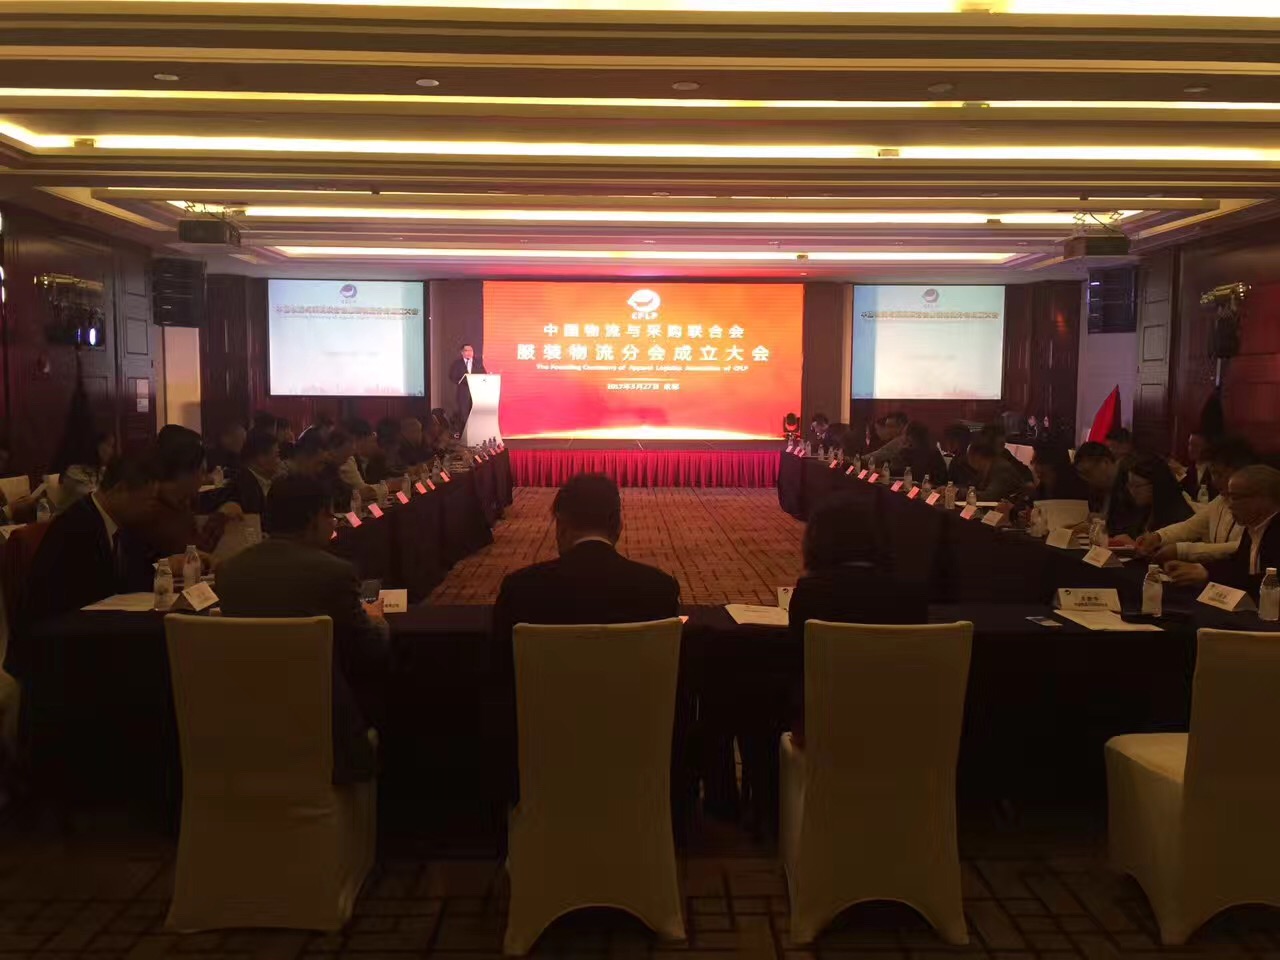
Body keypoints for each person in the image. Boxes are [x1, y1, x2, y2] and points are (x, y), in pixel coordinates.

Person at [491, 473, 680, 797]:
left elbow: (498, 682)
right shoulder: (659, 590)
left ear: (561, 525)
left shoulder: (521, 590)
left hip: (540, 772)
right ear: (618, 526)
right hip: (636, 770)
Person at [216, 474, 389, 784]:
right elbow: (370, 648)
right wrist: (376, 618)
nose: (333, 522)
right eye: (329, 515)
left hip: (242, 727)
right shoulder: (335, 573)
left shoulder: (230, 572)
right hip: (325, 732)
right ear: (313, 519)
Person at [787, 495, 929, 738]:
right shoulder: (910, 592)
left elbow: (799, 659)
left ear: (817, 541)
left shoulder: (812, 592)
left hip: (827, 729)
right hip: (902, 728)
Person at [22, 454, 163, 630]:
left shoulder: (121, 525)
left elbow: (133, 579)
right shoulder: (77, 527)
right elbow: (83, 597)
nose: (150, 508)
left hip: (95, 624)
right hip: (58, 632)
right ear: (120, 490)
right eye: (147, 500)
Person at [1138, 437, 1254, 565]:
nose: (1214, 481)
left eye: (1220, 474)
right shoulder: (1221, 500)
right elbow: (1190, 527)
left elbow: (1240, 547)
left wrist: (1182, 550)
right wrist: (1158, 537)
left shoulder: (1253, 504)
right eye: (1212, 474)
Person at [1165, 465, 1280, 591]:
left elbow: (1270, 583)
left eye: (1235, 498)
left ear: (1263, 499)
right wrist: (1200, 568)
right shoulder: (1253, 527)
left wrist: (1209, 575)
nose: (1229, 505)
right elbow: (1238, 566)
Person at [137, 425, 234, 557]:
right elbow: (195, 553)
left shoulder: (180, 500)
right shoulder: (155, 511)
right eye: (202, 472)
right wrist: (222, 516)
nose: (205, 479)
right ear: (184, 473)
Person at [1114, 454, 1194, 544]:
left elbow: (1170, 550)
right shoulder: (1143, 510)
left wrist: (1132, 545)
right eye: (1130, 485)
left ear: (1157, 486)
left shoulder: (1181, 520)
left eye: (1137, 486)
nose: (1131, 491)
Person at [1074, 441, 1143, 538]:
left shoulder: (1131, 484)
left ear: (1105, 463)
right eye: (1082, 475)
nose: (1086, 479)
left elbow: (1137, 527)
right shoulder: (1097, 489)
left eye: (1088, 473)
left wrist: (1107, 522)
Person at [53, 429, 117, 511]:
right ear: (97, 446)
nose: (111, 451)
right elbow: (92, 500)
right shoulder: (74, 472)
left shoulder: (102, 472)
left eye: (112, 447)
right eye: (108, 445)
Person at [229, 428, 281, 516]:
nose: (280, 461)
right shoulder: (245, 487)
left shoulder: (262, 482)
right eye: (277, 456)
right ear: (261, 458)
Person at [965, 435, 1028, 503]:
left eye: (970, 455)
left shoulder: (1002, 468)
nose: (968, 460)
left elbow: (991, 496)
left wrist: (966, 494)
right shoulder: (984, 469)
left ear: (977, 456)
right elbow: (975, 487)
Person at [448, 343, 487, 431]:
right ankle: (465, 433)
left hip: (476, 392)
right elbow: (452, 376)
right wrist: (460, 381)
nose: (469, 352)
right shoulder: (457, 363)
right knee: (464, 414)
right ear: (462, 352)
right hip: (463, 392)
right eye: (466, 350)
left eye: (471, 350)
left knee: (476, 413)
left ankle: (476, 432)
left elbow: (484, 374)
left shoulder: (478, 363)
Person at [1172, 431, 1215, 501]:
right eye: (1190, 445)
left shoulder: (1214, 470)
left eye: (1196, 446)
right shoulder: (1188, 471)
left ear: (1207, 448)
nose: (1191, 449)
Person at [942, 423, 979, 487]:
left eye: (953, 440)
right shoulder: (955, 460)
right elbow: (949, 482)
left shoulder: (976, 459)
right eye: (949, 440)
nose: (950, 445)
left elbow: (977, 484)